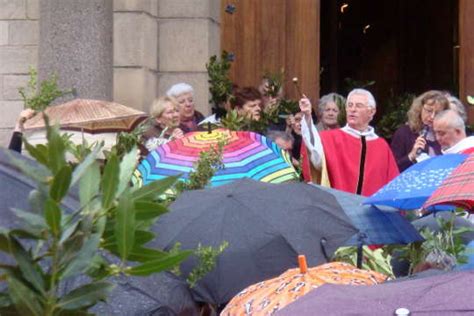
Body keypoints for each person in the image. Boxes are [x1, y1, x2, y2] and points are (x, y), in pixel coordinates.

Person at [299, 88, 399, 196]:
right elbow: (315, 159)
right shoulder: (330, 138)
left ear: (371, 112)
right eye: (350, 105)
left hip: (372, 210)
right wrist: (308, 117)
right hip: (339, 208)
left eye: (358, 106)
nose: (353, 109)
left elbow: (393, 183)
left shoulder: (381, 146)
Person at [390, 90, 450, 171]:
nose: (432, 116)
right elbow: (392, 168)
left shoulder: (445, 135)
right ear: (420, 108)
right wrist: (411, 156)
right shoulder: (403, 133)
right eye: (429, 111)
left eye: (437, 113)